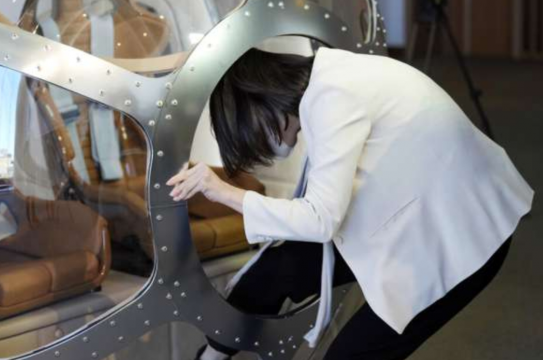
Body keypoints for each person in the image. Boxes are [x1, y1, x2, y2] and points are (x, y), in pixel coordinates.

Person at [166, 47, 534, 360]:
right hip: (419, 208)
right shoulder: (329, 81)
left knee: (351, 354)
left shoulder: (332, 95)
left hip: (462, 236)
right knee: (276, 269)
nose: (266, 147)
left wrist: (223, 192)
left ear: (261, 99)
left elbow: (321, 219)